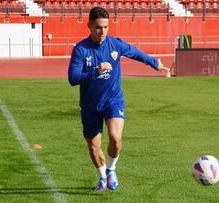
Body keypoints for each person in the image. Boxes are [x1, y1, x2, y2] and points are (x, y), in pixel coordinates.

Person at [68, 6, 168, 192]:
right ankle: (102, 176)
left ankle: (111, 169)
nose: (103, 31)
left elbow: (135, 52)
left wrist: (155, 63)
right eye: (98, 27)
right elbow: (73, 78)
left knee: (115, 137)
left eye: (106, 27)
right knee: (94, 146)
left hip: (113, 100)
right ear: (89, 25)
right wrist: (95, 71)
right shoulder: (81, 49)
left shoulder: (115, 44)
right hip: (90, 105)